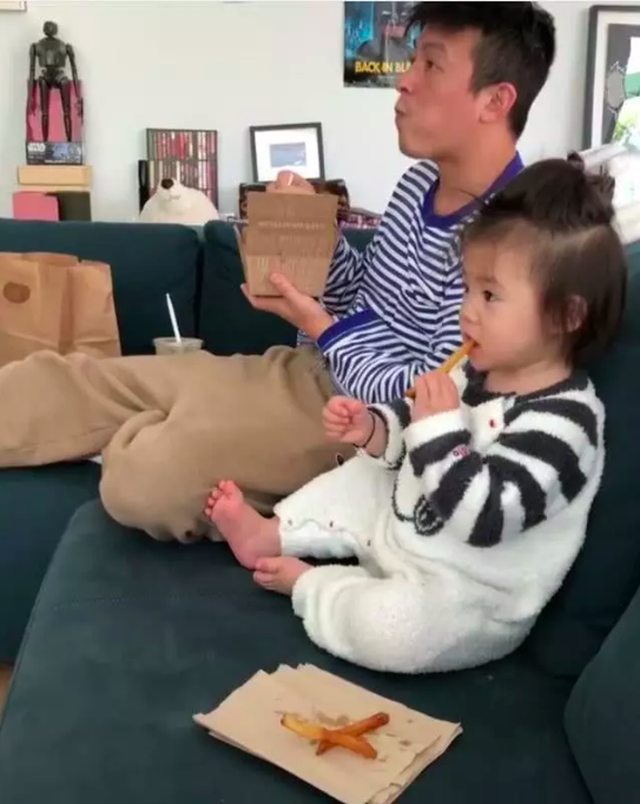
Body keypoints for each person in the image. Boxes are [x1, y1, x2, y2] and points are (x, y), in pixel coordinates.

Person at [0, 3, 556, 542]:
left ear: (495, 100)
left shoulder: (513, 244)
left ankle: (166, 434)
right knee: (81, 379)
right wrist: (316, 234)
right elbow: (364, 301)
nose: (404, 81)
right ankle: (153, 421)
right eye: (413, 61)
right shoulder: (418, 185)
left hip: (357, 429)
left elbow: (425, 397)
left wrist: (319, 326)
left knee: (143, 477)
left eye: (431, 65)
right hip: (303, 371)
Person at [205, 157, 627, 674]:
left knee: (394, 630)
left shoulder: (566, 423)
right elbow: (410, 428)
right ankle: (269, 534)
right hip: (409, 529)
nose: (467, 311)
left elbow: (486, 516)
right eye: (468, 289)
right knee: (362, 475)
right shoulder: (473, 370)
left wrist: (438, 428)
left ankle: (316, 587)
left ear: (567, 315)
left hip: (462, 592)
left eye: (490, 295)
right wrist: (373, 428)